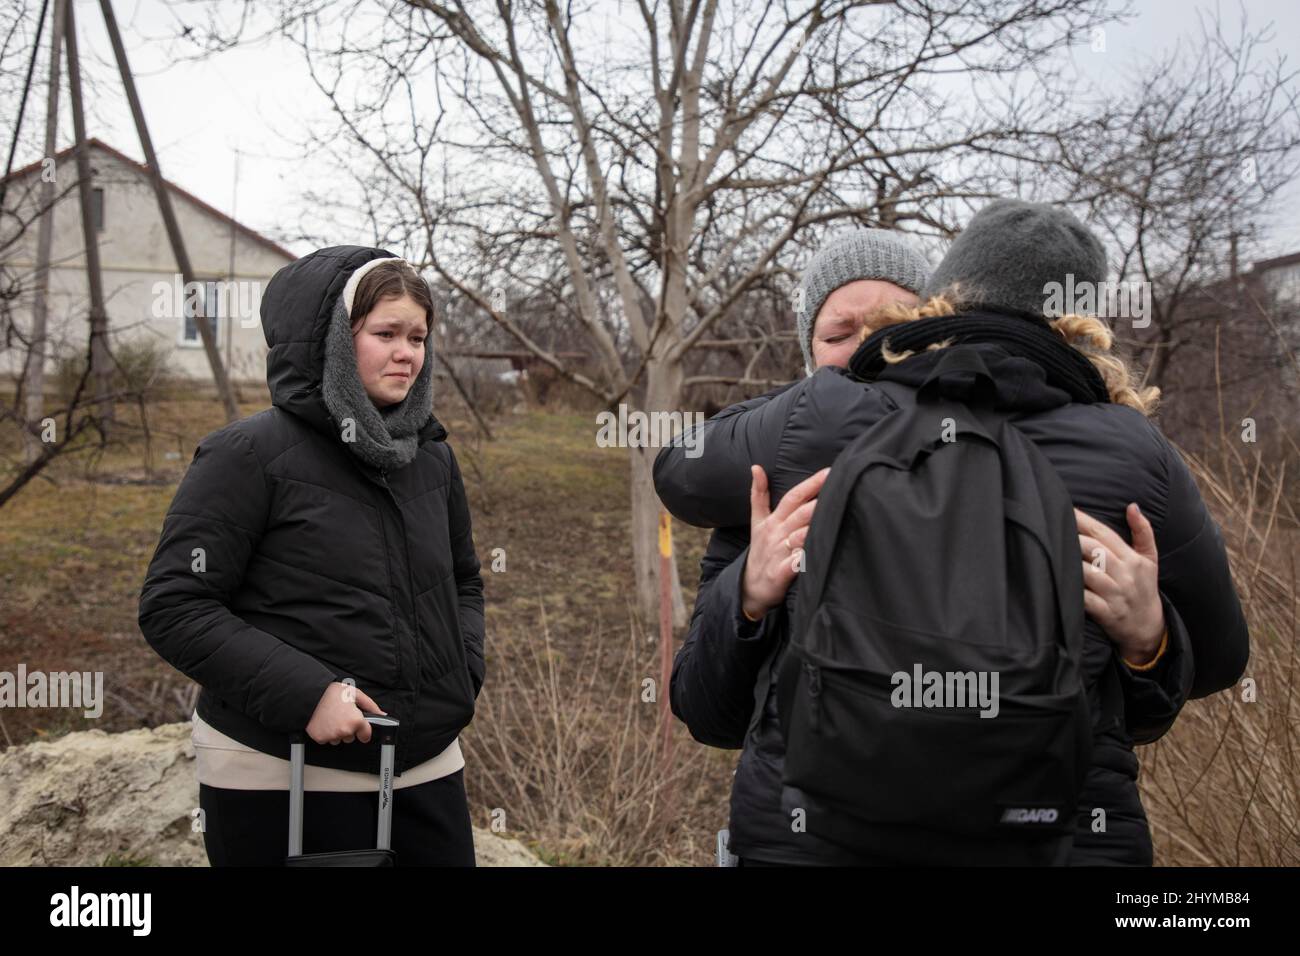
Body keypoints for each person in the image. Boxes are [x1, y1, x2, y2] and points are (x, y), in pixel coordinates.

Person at [657, 202, 1247, 865]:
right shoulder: (1133, 451)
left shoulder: (807, 432)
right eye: (838, 332)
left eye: (877, 324)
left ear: (930, 313)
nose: (858, 350)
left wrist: (1148, 639)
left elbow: (678, 468)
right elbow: (707, 711)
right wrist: (746, 594)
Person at [138, 247, 485, 866]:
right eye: (385, 334)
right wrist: (309, 694)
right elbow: (175, 605)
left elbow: (463, 581)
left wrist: (463, 672)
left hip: (426, 766)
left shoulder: (430, 457)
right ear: (329, 339)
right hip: (282, 775)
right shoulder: (247, 454)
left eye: (418, 336)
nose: (407, 353)